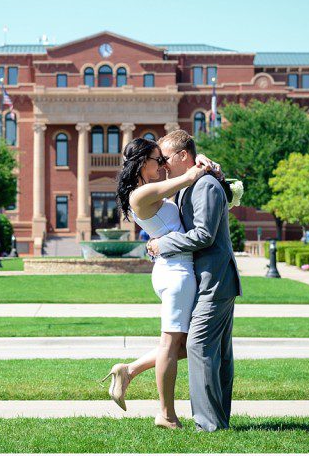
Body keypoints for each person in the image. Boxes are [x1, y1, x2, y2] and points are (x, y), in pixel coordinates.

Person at [105, 136, 218, 429]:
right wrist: (199, 159)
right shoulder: (140, 195)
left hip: (173, 269)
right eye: (158, 160)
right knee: (170, 345)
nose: (163, 164)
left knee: (186, 346)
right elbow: (190, 175)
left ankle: (128, 370)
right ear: (143, 163)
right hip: (176, 273)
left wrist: (198, 155)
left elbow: (187, 174)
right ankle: (166, 415)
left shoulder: (148, 190)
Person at [147, 130, 241, 432]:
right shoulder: (191, 185)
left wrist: (164, 244)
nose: (162, 165)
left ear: (183, 156)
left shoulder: (206, 186)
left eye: (165, 159)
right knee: (217, 353)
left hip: (216, 279)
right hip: (208, 280)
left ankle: (208, 425)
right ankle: (217, 422)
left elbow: (204, 235)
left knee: (200, 346)